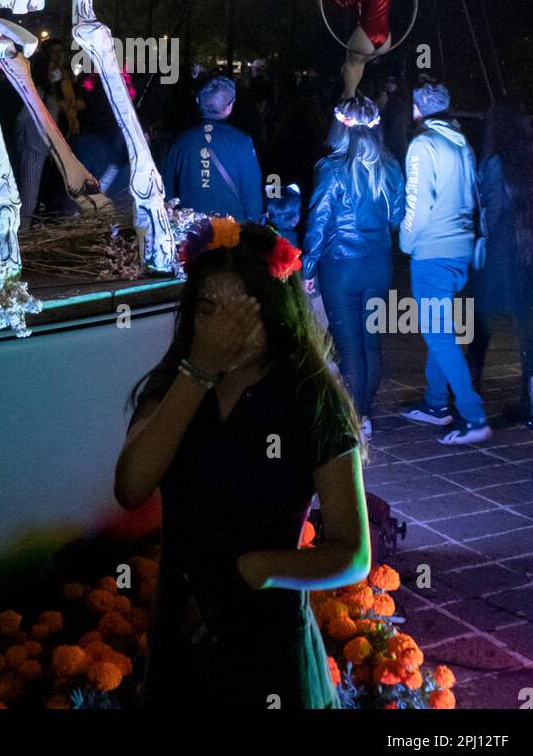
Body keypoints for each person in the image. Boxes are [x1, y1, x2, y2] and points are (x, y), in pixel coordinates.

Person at [115, 220, 368, 711]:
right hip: (180, 639)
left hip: (269, 641)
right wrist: (198, 372)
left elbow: (352, 554)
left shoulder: (309, 400)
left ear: (273, 315)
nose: (221, 333)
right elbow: (131, 486)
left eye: (239, 317)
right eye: (209, 313)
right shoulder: (175, 386)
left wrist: (253, 571)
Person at [301, 96, 404, 441]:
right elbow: (397, 217)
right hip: (378, 265)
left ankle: (352, 420)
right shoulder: (390, 166)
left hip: (340, 267)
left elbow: (318, 222)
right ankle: (365, 416)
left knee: (349, 348)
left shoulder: (330, 168)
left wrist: (308, 269)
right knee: (370, 344)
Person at [399, 82, 491, 445]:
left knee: (439, 336)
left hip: (433, 252)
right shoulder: (461, 143)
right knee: (445, 333)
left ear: (418, 110)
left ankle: (474, 416)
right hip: (460, 251)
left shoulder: (423, 145)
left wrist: (406, 241)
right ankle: (436, 404)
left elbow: (417, 202)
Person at [467, 99, 533, 428]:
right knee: (526, 327)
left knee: (479, 321)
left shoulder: (495, 162)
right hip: (530, 249)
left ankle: (470, 394)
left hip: (500, 249)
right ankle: (531, 401)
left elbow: (489, 207)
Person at [162, 76, 263, 221]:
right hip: (231, 232)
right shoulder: (242, 142)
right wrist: (252, 224)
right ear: (230, 107)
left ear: (197, 101)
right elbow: (252, 193)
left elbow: (168, 190)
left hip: (189, 231)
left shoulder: (179, 141)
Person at [321, 0, 417, 97]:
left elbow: (342, 2)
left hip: (366, 36)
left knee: (349, 66)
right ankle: (351, 99)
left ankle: (349, 102)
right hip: (385, 41)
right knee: (358, 63)